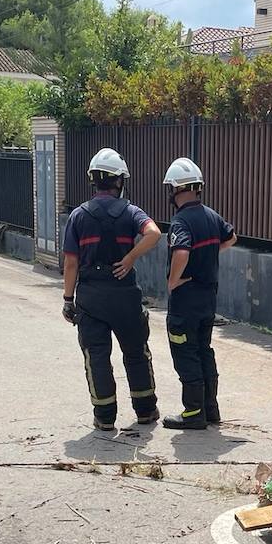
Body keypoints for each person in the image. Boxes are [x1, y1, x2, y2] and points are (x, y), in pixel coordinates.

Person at [61, 148, 162, 431]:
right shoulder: (131, 212)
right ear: (119, 181)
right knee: (136, 352)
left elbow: (71, 263)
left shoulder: (78, 216)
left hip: (91, 296)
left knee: (97, 356)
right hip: (124, 293)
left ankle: (104, 417)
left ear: (93, 180)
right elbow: (153, 234)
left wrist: (68, 300)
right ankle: (146, 411)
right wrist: (130, 258)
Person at [160, 157, 237, 430]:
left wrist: (173, 280)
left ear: (175, 189)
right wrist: (209, 254)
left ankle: (193, 413)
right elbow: (231, 238)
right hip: (208, 299)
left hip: (186, 300)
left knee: (185, 351)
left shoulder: (180, 222)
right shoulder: (212, 215)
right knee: (204, 350)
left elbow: (181, 251)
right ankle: (210, 408)